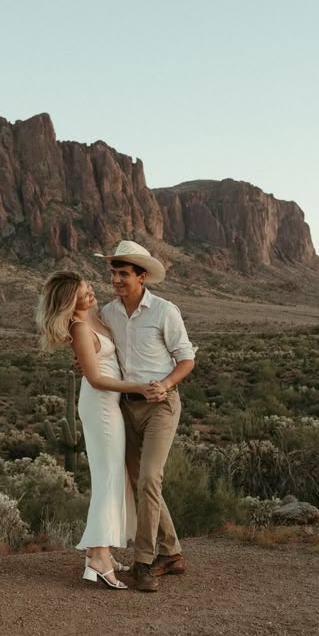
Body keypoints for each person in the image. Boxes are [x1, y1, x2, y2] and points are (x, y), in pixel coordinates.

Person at [37, 270, 165, 590]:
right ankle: (98, 557)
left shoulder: (95, 316)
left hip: (111, 405)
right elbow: (95, 378)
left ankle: (99, 551)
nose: (92, 293)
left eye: (90, 287)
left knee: (112, 477)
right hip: (100, 406)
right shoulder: (79, 328)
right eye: (83, 291)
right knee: (107, 479)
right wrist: (138, 387)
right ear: (70, 300)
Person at [96, 240, 196, 592]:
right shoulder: (108, 313)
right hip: (127, 406)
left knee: (150, 478)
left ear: (142, 276)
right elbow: (95, 343)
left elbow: (187, 358)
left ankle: (143, 562)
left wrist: (166, 384)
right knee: (143, 482)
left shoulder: (164, 311)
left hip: (161, 406)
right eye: (114, 274)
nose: (117, 280)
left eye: (124, 274)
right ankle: (172, 553)